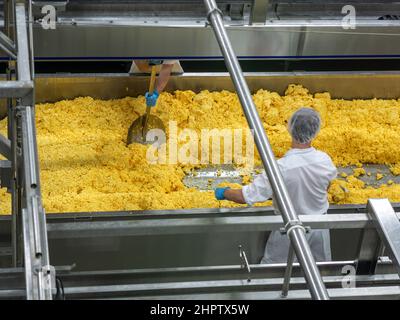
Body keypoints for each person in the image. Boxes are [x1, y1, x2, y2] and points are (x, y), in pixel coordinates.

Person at [214, 108, 337, 264]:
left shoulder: (280, 168)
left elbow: (245, 196)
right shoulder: (324, 160)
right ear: (315, 131)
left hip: (288, 229)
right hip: (319, 228)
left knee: (276, 272)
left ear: (290, 129)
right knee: (320, 270)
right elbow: (326, 186)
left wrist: (224, 192)